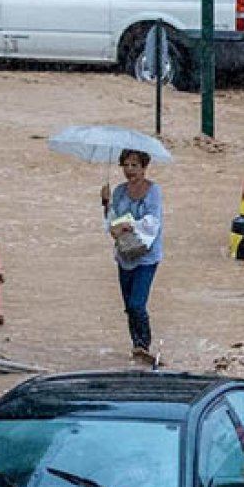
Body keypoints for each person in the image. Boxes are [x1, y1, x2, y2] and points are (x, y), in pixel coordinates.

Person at [100, 149, 163, 360]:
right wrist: (106, 203)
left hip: (147, 256)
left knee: (137, 303)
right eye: (125, 165)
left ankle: (144, 343)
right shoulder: (118, 192)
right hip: (124, 255)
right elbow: (111, 221)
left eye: (134, 165)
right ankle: (136, 345)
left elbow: (153, 221)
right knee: (128, 306)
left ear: (144, 168)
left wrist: (130, 225)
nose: (129, 170)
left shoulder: (153, 191)